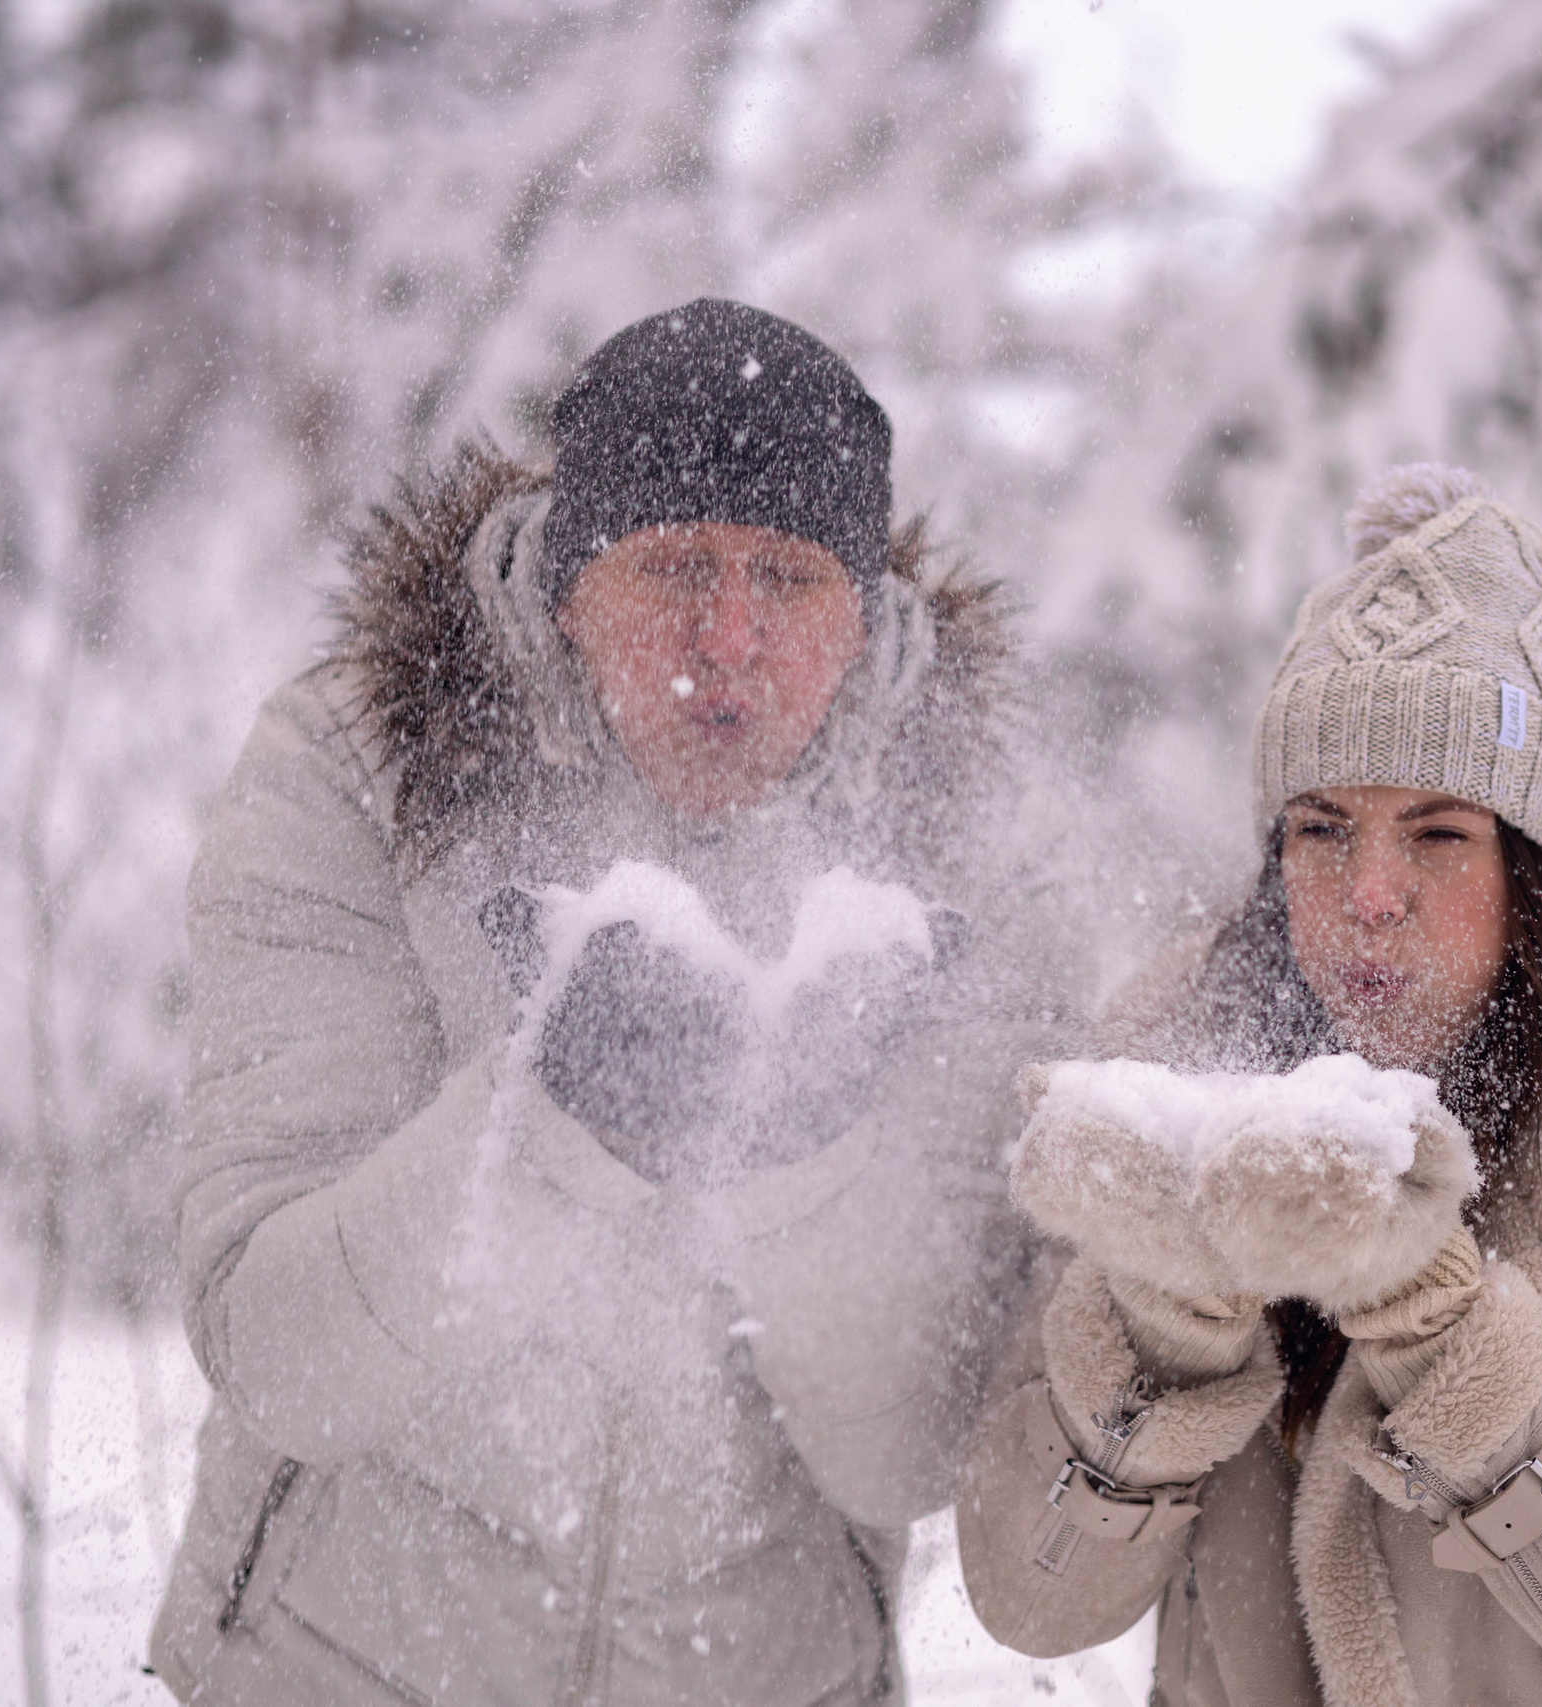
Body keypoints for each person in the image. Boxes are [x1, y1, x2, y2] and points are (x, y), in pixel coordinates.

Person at [151, 300, 1062, 1705]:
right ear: (570, 581)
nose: (730, 635)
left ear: (863, 613)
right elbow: (278, 1354)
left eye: (790, 574)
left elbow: (909, 1453)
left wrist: (803, 1156)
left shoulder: (956, 852)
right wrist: (551, 1124)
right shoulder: (357, 771)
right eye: (678, 563)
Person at [957, 465, 1542, 1705]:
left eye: (1437, 833)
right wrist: (1160, 1332)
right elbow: (1026, 1600)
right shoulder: (1176, 1066)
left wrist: (1432, 1320)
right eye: (1321, 829)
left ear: (1538, 867)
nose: (1369, 893)